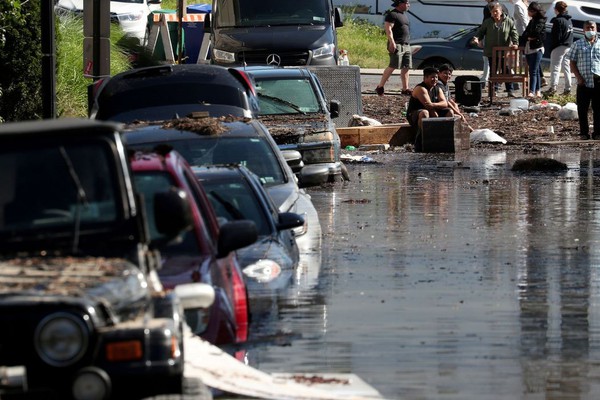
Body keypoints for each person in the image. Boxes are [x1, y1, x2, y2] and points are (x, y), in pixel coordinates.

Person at [472, 3, 520, 97]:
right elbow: (480, 32)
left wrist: (515, 43)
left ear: (501, 11)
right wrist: (477, 38)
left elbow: (514, 33)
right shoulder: (488, 22)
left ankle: (510, 90)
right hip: (491, 51)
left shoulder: (508, 21)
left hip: (504, 51)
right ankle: (494, 90)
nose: (494, 13)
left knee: (506, 70)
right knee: (493, 71)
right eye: (492, 12)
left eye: (496, 11)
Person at [567, 20, 600, 140]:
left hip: (598, 82)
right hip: (584, 82)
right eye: (588, 28)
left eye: (592, 28)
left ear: (596, 29)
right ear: (583, 30)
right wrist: (578, 77)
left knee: (598, 109)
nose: (590, 30)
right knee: (582, 109)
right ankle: (584, 133)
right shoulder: (578, 44)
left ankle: (597, 133)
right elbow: (572, 62)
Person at [375, 0, 412, 96]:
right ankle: (380, 86)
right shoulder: (392, 14)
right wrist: (392, 42)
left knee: (406, 67)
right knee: (393, 65)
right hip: (397, 44)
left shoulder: (404, 15)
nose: (409, 5)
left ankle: (405, 89)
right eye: (407, 3)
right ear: (400, 3)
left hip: (406, 44)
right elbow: (388, 29)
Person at [406, 67, 453, 136]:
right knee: (425, 113)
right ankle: (421, 137)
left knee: (450, 112)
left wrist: (433, 104)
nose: (435, 80)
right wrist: (437, 121)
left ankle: (447, 136)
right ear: (425, 78)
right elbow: (428, 107)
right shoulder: (421, 89)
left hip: (433, 110)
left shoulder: (437, 88)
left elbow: (445, 103)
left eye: (436, 77)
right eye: (432, 77)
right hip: (415, 115)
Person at [545, 1, 573, 95]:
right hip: (568, 46)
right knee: (566, 67)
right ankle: (568, 88)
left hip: (559, 46)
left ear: (556, 10)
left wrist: (552, 47)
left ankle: (553, 87)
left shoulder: (558, 20)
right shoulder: (569, 20)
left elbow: (556, 36)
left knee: (555, 67)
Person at [522, 1, 547, 98]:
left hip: (537, 48)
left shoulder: (540, 21)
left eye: (529, 11)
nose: (528, 12)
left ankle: (532, 91)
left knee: (533, 70)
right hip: (529, 48)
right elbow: (525, 34)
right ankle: (537, 91)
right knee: (534, 71)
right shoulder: (531, 21)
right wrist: (529, 37)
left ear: (534, 11)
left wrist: (530, 36)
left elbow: (536, 34)